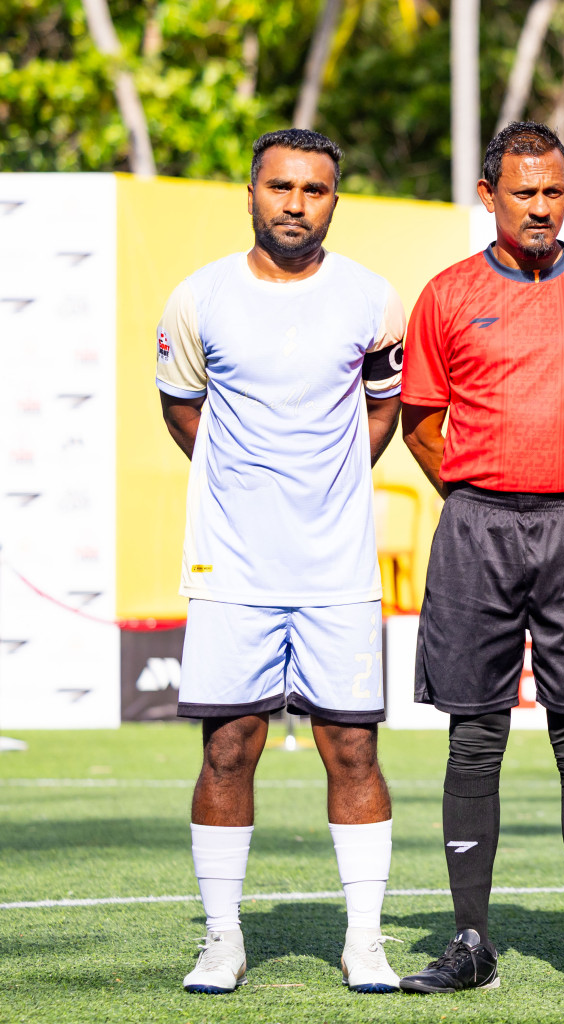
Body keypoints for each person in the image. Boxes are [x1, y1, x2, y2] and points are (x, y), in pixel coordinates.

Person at [398, 121, 564, 996]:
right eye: (523, 193)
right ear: (488, 196)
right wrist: (476, 493)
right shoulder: (448, 294)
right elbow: (420, 422)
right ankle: (470, 941)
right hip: (476, 532)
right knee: (476, 737)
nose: (540, 208)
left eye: (552, 192)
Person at [157, 128, 404, 995]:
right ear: (252, 192)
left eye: (315, 190)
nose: (296, 204)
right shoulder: (199, 297)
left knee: (352, 747)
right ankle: (222, 939)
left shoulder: (372, 299)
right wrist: (249, 489)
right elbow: (183, 411)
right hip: (232, 566)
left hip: (336, 571)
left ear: (336, 199)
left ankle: (364, 941)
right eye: (280, 187)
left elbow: (382, 414)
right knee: (228, 746)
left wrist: (321, 490)